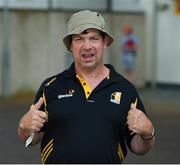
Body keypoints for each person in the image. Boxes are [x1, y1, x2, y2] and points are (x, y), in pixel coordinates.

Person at [18, 10, 155, 164]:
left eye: (94, 39)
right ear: (70, 45)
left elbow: (138, 147)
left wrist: (148, 133)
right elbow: (32, 136)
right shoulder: (51, 87)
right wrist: (24, 127)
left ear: (105, 42)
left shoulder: (125, 89)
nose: (87, 46)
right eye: (79, 39)